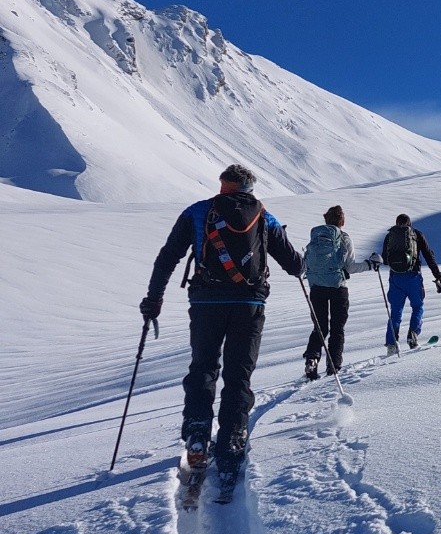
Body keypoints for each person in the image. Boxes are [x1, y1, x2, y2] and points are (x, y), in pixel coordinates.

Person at [140, 163, 304, 474]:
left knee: (203, 365)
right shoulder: (264, 216)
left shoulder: (198, 212)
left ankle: (198, 434)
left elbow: (168, 257)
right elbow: (293, 264)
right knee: (239, 371)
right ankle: (232, 438)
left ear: (223, 184)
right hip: (249, 302)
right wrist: (302, 266)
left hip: (206, 301)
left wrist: (154, 299)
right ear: (250, 187)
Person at [301, 204, 379, 379]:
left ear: (326, 219)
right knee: (337, 328)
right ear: (342, 220)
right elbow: (350, 267)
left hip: (316, 288)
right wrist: (370, 264)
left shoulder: (316, 237)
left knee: (320, 327)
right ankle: (333, 366)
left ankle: (312, 358)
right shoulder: (344, 238)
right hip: (338, 288)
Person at [379, 212, 441, 352]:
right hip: (413, 277)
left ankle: (391, 344)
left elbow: (384, 259)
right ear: (410, 223)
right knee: (418, 306)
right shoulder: (416, 234)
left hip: (395, 278)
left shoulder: (390, 236)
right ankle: (412, 336)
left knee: (396, 311)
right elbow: (428, 255)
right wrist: (438, 275)